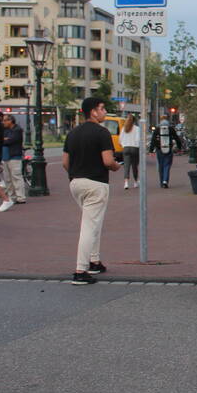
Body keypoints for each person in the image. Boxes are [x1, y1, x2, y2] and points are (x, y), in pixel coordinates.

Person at [62, 97, 121, 285]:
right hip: (96, 183)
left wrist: (76, 172)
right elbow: (107, 161)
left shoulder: (72, 133)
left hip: (76, 182)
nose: (104, 112)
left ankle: (94, 261)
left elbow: (65, 162)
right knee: (89, 226)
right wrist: (115, 166)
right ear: (93, 112)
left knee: (92, 222)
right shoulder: (102, 133)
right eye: (102, 108)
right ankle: (81, 270)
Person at [149, 114, 183, 188]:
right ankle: (165, 181)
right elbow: (177, 138)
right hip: (168, 149)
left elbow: (153, 140)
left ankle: (161, 182)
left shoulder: (157, 129)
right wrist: (179, 148)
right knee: (167, 165)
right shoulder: (170, 128)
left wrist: (151, 150)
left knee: (160, 166)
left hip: (159, 149)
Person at [0, 114, 26, 204]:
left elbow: (10, 140)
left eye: (5, 120)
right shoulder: (5, 130)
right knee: (7, 178)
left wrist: (5, 140)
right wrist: (4, 139)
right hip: (6, 157)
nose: (3, 122)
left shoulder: (17, 130)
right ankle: (12, 197)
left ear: (10, 121)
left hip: (14, 156)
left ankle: (21, 197)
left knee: (16, 177)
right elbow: (2, 140)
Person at [119, 113, 141, 190]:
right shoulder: (137, 128)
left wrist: (123, 145)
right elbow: (138, 139)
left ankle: (126, 183)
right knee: (135, 166)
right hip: (134, 148)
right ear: (134, 121)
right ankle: (135, 182)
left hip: (126, 148)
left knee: (126, 166)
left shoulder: (124, 129)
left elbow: (120, 140)